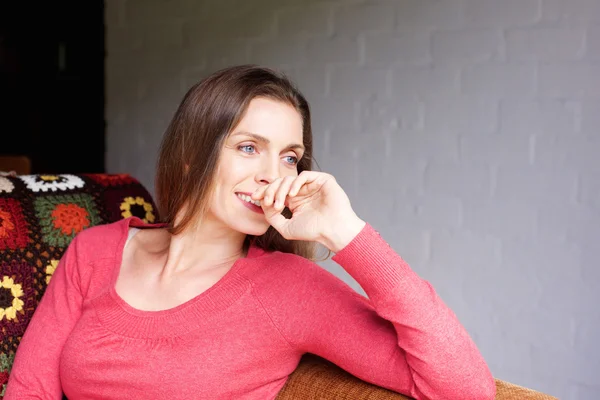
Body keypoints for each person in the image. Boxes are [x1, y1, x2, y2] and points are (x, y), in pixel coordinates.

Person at [5, 64, 496, 400]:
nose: (271, 174)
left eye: (289, 157)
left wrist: (346, 233)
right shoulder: (94, 250)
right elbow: (30, 391)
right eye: (248, 147)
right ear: (191, 154)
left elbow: (465, 389)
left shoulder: (290, 288)